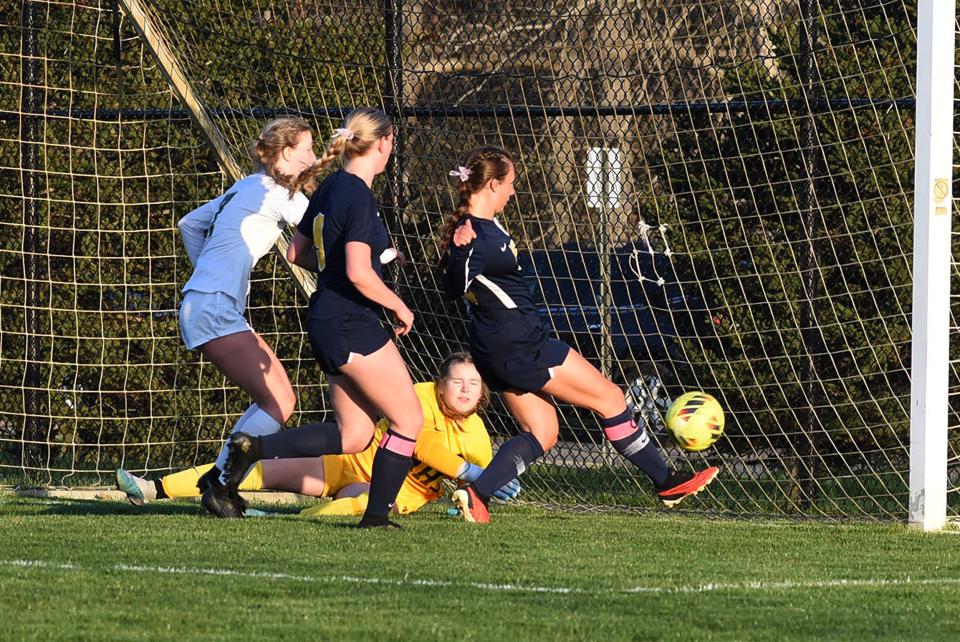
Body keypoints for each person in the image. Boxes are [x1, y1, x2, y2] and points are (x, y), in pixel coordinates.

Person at [439, 146, 719, 523]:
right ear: (492, 184)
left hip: (501, 346)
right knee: (610, 398)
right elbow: (454, 285)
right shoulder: (473, 233)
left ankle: (477, 496)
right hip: (522, 344)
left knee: (543, 431)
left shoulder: (486, 227)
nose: (513, 193)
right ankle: (666, 480)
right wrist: (458, 254)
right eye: (510, 184)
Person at [208, 108, 424, 529]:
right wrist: (398, 304)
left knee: (354, 435)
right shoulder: (358, 194)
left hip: (327, 316)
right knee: (408, 419)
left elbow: (297, 253)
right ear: (383, 143)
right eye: (392, 142)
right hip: (350, 319)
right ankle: (376, 517)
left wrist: (345, 268)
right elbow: (360, 272)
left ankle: (255, 447)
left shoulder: (330, 187)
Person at [116, 353, 519, 515]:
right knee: (261, 469)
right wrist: (470, 473)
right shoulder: (420, 395)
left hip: (391, 492)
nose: (466, 388)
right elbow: (425, 444)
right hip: (347, 461)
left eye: (474, 383)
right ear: (440, 382)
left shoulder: (479, 436)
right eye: (457, 380)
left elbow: (475, 484)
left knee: (359, 505)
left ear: (483, 392)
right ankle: (153, 488)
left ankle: (276, 523)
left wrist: (485, 487)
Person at [175, 117, 316, 514]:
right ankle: (221, 485)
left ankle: (219, 481)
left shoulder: (245, 185)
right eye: (306, 148)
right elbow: (324, 226)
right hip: (213, 305)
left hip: (204, 302)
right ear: (286, 154)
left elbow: (189, 224)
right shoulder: (276, 190)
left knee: (276, 399)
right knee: (279, 402)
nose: (313, 156)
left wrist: (208, 271)